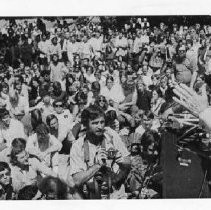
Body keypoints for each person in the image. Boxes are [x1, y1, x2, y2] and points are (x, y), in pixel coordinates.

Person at [68, 104, 131, 199]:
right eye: (95, 123)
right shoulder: (78, 146)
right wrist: (97, 165)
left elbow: (128, 161)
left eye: (102, 122)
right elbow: (76, 180)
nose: (100, 127)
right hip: (90, 194)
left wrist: (121, 160)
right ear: (85, 125)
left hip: (113, 190)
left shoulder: (111, 135)